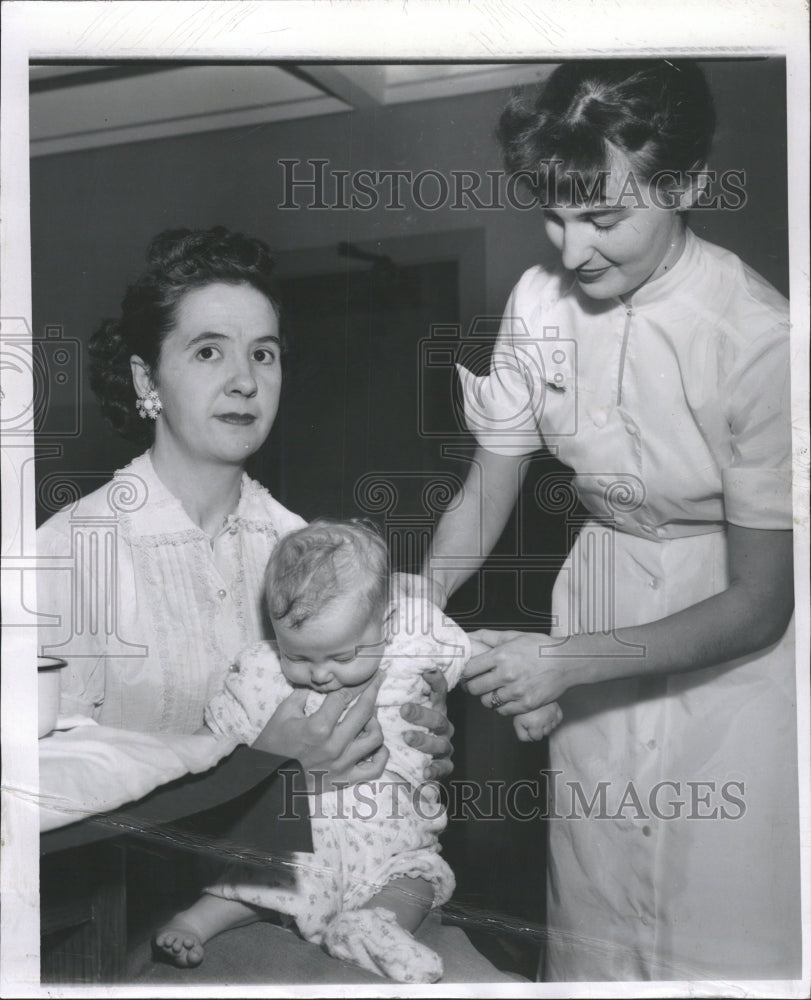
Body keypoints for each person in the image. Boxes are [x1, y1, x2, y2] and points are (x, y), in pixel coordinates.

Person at [36, 228, 516, 984]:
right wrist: (267, 766)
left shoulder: (305, 552)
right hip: (141, 918)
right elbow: (42, 805)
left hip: (342, 887)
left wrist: (413, 734)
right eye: (208, 351)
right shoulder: (69, 555)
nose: (244, 380)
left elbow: (402, 707)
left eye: (263, 352)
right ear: (144, 378)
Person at [422, 60, 799, 981]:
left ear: (686, 187)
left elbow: (761, 604)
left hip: (728, 619)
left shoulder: (757, 339)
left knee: (722, 903)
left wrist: (563, 663)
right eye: (553, 212)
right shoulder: (535, 304)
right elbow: (488, 486)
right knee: (593, 900)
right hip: (596, 584)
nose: (571, 247)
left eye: (603, 217)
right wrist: (415, 605)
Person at [156, 519, 547, 982]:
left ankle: (371, 928)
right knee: (256, 879)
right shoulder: (259, 670)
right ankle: (198, 920)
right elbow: (211, 746)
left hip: (392, 835)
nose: (320, 674)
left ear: (386, 622)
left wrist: (529, 706)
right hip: (304, 832)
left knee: (420, 878)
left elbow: (485, 661)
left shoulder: (413, 640)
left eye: (341, 657)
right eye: (298, 657)